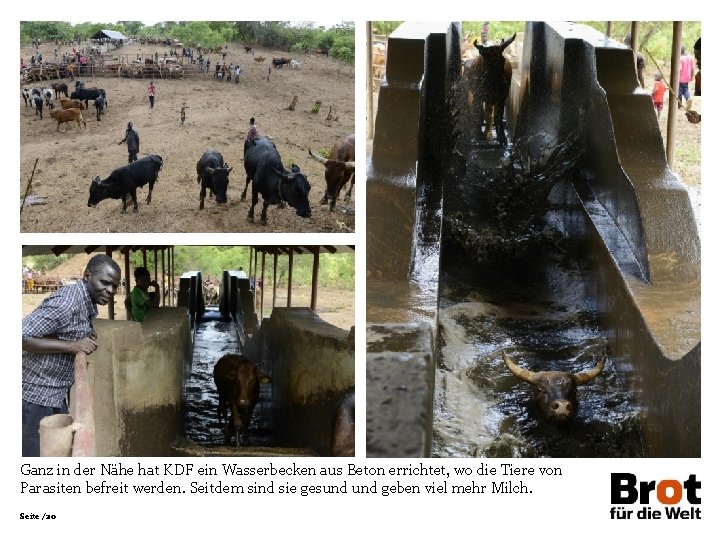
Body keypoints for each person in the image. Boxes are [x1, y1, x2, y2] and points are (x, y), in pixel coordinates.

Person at [22, 254, 121, 457]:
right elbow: (22, 337)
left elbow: (65, 328)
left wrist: (85, 332)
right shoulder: (67, 303)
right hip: (36, 396)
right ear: (87, 276)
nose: (110, 291)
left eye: (115, 286)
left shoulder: (86, 301)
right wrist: (73, 345)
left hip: (56, 392)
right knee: (33, 455)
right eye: (105, 283)